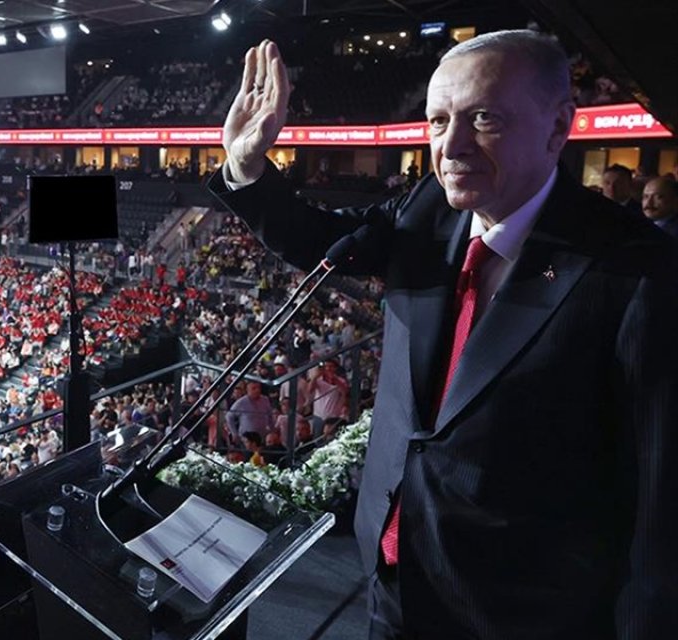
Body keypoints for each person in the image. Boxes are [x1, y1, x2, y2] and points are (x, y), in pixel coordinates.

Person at [211, 32, 677, 639]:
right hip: (391, 577)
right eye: (437, 121)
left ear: (559, 125)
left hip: (516, 610)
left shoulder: (639, 273)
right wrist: (246, 168)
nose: (450, 146)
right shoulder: (431, 207)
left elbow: (661, 510)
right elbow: (321, 239)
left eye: (483, 118)